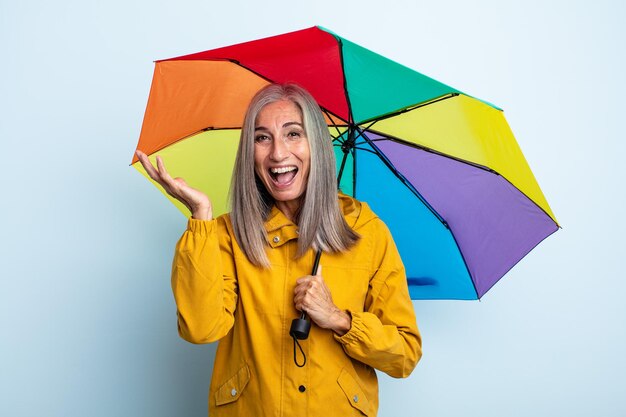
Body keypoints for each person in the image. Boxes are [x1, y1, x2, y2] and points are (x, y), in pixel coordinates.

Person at [135, 83, 421, 417]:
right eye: (262, 137)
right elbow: (201, 329)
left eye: (293, 134)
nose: (278, 154)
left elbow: (404, 355)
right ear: (249, 152)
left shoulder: (367, 232)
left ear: (316, 144)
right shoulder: (227, 234)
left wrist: (339, 320)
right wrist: (201, 217)